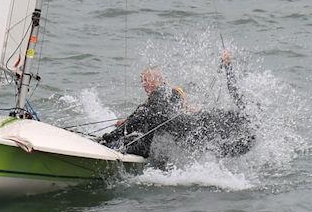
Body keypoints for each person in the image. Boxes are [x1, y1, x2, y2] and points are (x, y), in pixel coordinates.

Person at [99, 50, 255, 159]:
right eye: (142, 81)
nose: (144, 85)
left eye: (147, 81)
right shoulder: (156, 100)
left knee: (149, 115)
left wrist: (126, 123)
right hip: (192, 134)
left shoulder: (168, 92)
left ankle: (112, 142)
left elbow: (165, 108)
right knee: (147, 116)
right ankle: (116, 141)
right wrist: (127, 121)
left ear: (159, 80)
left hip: (191, 129)